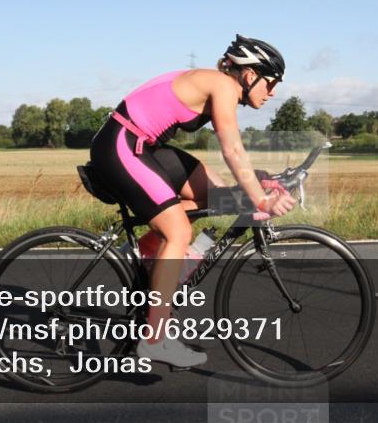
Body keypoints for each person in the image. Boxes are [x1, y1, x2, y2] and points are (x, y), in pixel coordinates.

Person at [88, 35, 297, 367]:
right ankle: (154, 339)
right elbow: (231, 149)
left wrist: (257, 181)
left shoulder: (216, 84)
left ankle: (145, 251)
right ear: (248, 74)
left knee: (214, 197)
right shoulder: (223, 86)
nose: (272, 92)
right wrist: (261, 200)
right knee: (179, 233)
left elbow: (233, 165)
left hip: (144, 145)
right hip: (122, 145)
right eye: (270, 82)